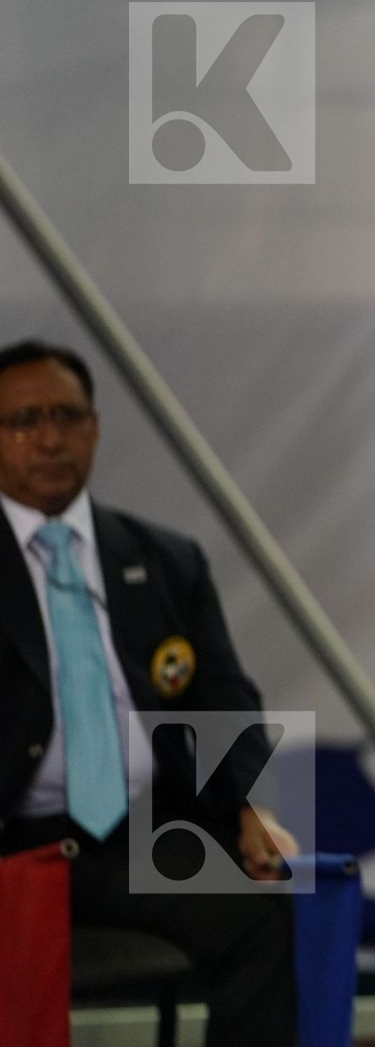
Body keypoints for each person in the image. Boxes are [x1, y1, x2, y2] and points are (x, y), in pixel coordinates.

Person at [0, 339, 299, 1047]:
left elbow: (223, 692)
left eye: (68, 417)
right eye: (23, 420)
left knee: (268, 915)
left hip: (139, 835)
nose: (49, 438)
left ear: (96, 428)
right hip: (11, 841)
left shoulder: (165, 558)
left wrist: (251, 803)